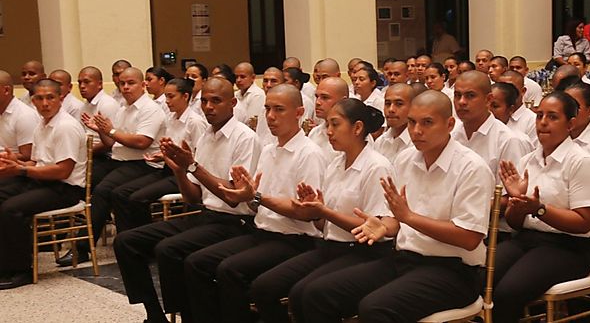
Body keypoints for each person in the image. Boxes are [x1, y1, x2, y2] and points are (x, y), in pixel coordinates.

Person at [299, 90, 494, 322]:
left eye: (427, 123)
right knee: (317, 294)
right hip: (404, 259)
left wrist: (408, 218)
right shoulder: (406, 159)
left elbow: (469, 237)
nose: (416, 130)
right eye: (412, 122)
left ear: (450, 124)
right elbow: (395, 218)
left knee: (375, 308)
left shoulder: (472, 167)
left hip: (453, 270)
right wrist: (384, 226)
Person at [113, 77, 258, 323]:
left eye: (217, 101)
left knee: (168, 249)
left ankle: (187, 316)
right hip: (207, 215)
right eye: (205, 101)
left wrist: (192, 165)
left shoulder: (245, 138)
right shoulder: (206, 137)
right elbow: (194, 198)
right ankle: (154, 313)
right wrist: (179, 171)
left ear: (232, 103)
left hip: (236, 222)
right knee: (126, 241)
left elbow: (233, 198)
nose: (209, 107)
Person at [180, 84, 327, 323]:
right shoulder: (269, 150)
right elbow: (254, 205)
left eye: (279, 110)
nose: (270, 116)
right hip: (263, 232)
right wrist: (247, 196)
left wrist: (254, 197)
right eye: (267, 109)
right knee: (197, 262)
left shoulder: (309, 153)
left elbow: (306, 213)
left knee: (231, 270)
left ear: (299, 113)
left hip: (296, 239)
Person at [248, 98, 394, 323]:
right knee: (263, 286)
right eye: (327, 125)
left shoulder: (376, 165)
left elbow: (372, 229)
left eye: (335, 125)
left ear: (357, 128)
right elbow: (322, 225)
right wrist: (314, 210)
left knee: (308, 294)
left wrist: (324, 211)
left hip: (363, 253)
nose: (328, 132)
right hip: (330, 245)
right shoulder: (336, 163)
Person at [492, 92, 590, 320]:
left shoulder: (580, 161)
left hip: (569, 247)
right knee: (480, 278)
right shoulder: (527, 161)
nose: (542, 122)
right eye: (539, 115)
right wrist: (517, 203)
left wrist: (539, 210)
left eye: (552, 117)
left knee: (508, 292)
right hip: (527, 240)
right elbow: (514, 224)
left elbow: (585, 222)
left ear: (571, 123)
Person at [58, 67, 167, 266]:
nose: (125, 87)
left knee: (105, 191)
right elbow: (110, 144)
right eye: (122, 83)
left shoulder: (150, 109)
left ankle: (84, 248)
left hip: (144, 163)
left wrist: (111, 130)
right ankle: (120, 243)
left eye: (131, 83)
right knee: (90, 183)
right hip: (120, 160)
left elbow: (142, 142)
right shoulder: (124, 108)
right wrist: (100, 130)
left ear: (143, 85)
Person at [0, 79, 87, 289]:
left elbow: (62, 170)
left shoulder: (66, 126)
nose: (45, 103)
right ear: (33, 100)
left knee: (11, 209)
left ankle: (21, 270)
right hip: (43, 180)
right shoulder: (42, 124)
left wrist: (21, 169)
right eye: (39, 98)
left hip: (66, 188)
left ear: (61, 98)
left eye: (50, 97)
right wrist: (16, 162)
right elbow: (38, 161)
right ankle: (4, 261)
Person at [111, 78, 208, 232]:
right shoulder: (171, 117)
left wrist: (174, 158)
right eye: (166, 96)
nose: (167, 101)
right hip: (167, 169)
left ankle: (143, 239)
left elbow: (201, 157)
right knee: (120, 193)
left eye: (171, 96)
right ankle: (126, 240)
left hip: (185, 174)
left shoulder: (194, 122)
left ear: (185, 96)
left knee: (137, 198)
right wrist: (162, 155)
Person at [452, 71, 532, 181]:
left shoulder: (508, 140)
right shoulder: (451, 134)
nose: (461, 102)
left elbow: (509, 195)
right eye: (457, 95)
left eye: (470, 96)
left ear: (488, 100)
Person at [77, 66, 121, 167]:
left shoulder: (107, 104)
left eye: (87, 82)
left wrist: (86, 152)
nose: (82, 86)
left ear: (99, 84)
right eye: (79, 82)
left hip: (106, 157)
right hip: (88, 153)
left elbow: (112, 141)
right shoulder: (84, 106)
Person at [0, 71, 39, 162]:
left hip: (16, 170)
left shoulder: (24, 115)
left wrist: (4, 157)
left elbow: (28, 156)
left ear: (6, 90)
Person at [308, 77, 350, 158]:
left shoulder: (353, 136)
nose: (318, 102)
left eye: (325, 97)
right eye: (317, 97)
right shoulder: (315, 133)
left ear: (343, 101)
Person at [490, 74, 537, 143]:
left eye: (510, 87)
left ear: (523, 91)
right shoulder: (491, 118)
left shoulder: (532, 121)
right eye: (501, 86)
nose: (505, 91)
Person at [374, 84, 414, 162]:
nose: (391, 109)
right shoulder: (380, 141)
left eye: (399, 104)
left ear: (413, 106)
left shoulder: (418, 144)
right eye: (388, 104)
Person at [233, 62, 267, 130]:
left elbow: (250, 123)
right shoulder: (235, 94)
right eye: (236, 77)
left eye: (242, 77)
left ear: (253, 77)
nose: (238, 80)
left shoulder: (257, 94)